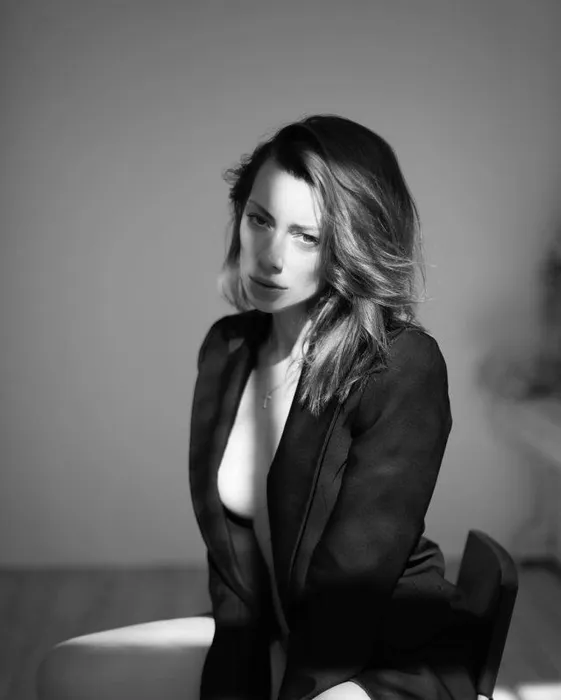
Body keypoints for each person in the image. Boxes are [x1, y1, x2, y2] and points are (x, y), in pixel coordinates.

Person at [37, 114, 478, 700]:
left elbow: (354, 586)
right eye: (260, 220)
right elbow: (232, 571)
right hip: (272, 635)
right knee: (65, 672)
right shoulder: (227, 348)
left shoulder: (400, 365)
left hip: (380, 654)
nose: (271, 255)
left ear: (354, 242)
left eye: (306, 236)